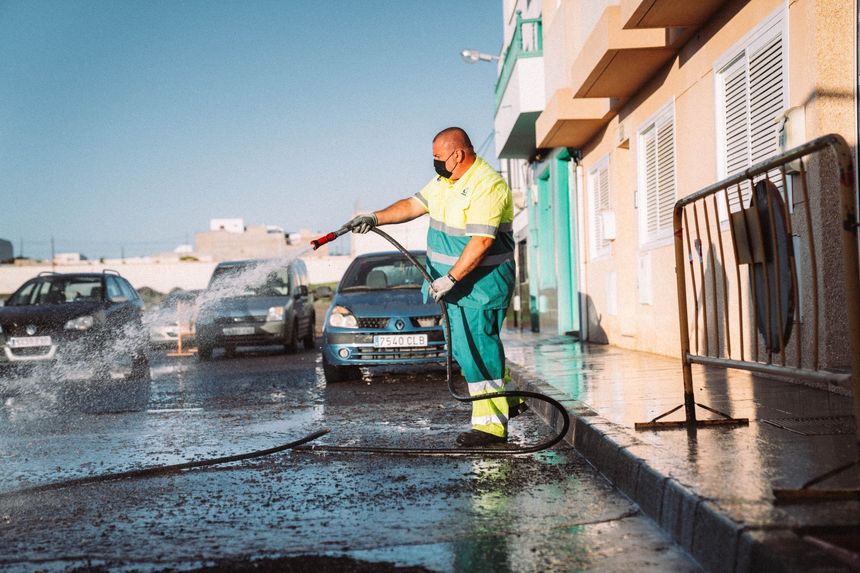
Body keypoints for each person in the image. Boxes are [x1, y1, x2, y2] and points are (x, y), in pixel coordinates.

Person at [343, 127, 526, 447]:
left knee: (477, 350)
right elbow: (412, 205)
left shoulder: (487, 185)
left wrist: (452, 277)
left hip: (480, 284)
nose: (435, 164)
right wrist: (374, 218)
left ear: (458, 154)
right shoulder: (446, 182)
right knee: (463, 349)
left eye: (439, 158)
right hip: (454, 285)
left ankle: (491, 427)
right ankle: (509, 401)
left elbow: (482, 241)